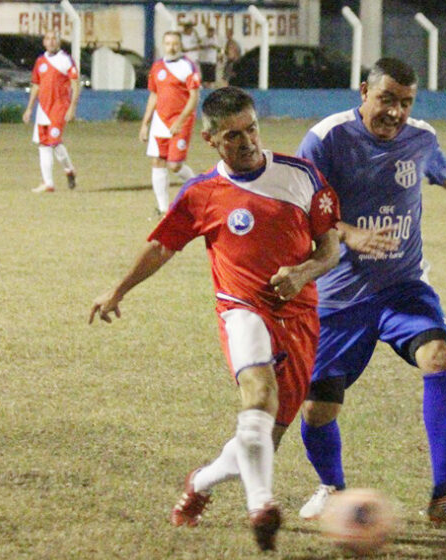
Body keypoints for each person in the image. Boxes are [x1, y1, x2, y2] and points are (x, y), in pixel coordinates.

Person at [89, 86, 342, 552]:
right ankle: (261, 507)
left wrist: (303, 271)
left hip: (300, 318)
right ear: (210, 139)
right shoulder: (202, 193)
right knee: (259, 395)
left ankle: (200, 482)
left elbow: (330, 248)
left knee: (265, 434)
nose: (247, 142)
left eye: (251, 130)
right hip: (241, 309)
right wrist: (118, 289)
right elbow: (162, 245)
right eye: (233, 136)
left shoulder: (302, 176)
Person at [293, 57, 446, 534]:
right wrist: (347, 233)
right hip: (339, 295)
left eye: (405, 103)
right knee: (318, 407)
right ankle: (332, 488)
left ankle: (445, 496)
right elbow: (300, 208)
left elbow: (440, 167)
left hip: (402, 285)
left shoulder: (420, 136)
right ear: (364, 91)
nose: (395, 112)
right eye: (387, 99)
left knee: (440, 356)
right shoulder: (326, 139)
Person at [140, 31, 201, 215]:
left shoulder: (189, 66)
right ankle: (163, 208)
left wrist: (180, 121)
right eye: (168, 43)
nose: (171, 47)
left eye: (175, 43)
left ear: (180, 45)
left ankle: (198, 187)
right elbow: (154, 94)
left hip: (181, 121)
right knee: (158, 161)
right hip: (160, 121)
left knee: (174, 165)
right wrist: (145, 123)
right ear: (163, 45)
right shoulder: (157, 67)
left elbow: (194, 97)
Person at [22, 30, 81, 194]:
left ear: (59, 42)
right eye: (48, 39)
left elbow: (75, 84)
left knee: (54, 142)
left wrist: (72, 107)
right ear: (44, 42)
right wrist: (29, 109)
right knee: (44, 145)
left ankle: (68, 169)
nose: (51, 41)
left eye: (54, 38)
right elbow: (36, 85)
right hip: (43, 109)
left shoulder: (65, 60)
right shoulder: (40, 61)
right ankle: (49, 183)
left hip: (59, 107)